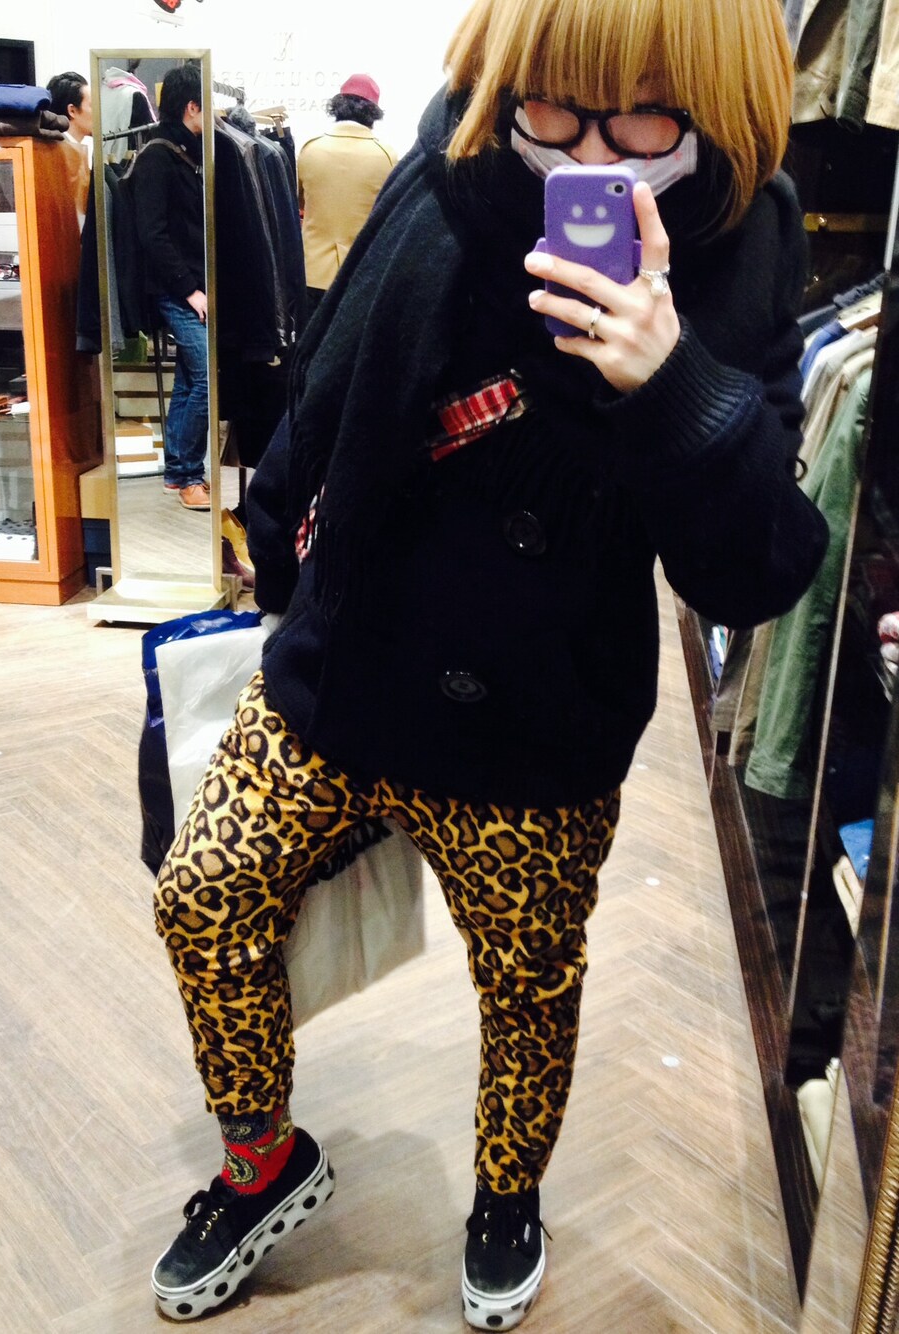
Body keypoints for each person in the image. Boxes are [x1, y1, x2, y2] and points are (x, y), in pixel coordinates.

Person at [149, 0, 830, 1327]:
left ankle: (506, 1194)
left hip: (536, 708)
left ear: (715, 108)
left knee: (525, 987)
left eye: (642, 117)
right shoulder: (453, 164)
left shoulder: (744, 237)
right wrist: (277, 560)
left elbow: (754, 571)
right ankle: (260, 1159)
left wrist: (670, 380)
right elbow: (332, 367)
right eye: (553, 105)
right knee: (202, 894)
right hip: (346, 660)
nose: (586, 155)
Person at [129, 65, 210, 511]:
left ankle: (178, 473)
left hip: (187, 285)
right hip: (175, 289)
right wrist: (189, 289)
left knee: (189, 380)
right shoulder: (158, 157)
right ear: (192, 107)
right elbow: (152, 234)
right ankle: (188, 475)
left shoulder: (186, 152)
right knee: (206, 379)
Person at [296, 73, 398, 316]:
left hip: (312, 272)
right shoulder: (386, 156)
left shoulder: (310, 149)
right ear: (373, 112)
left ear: (337, 107)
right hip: (362, 271)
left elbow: (300, 202)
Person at [46, 71, 93, 228]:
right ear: (72, 110)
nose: (99, 113)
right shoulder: (58, 154)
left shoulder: (74, 151)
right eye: (92, 106)